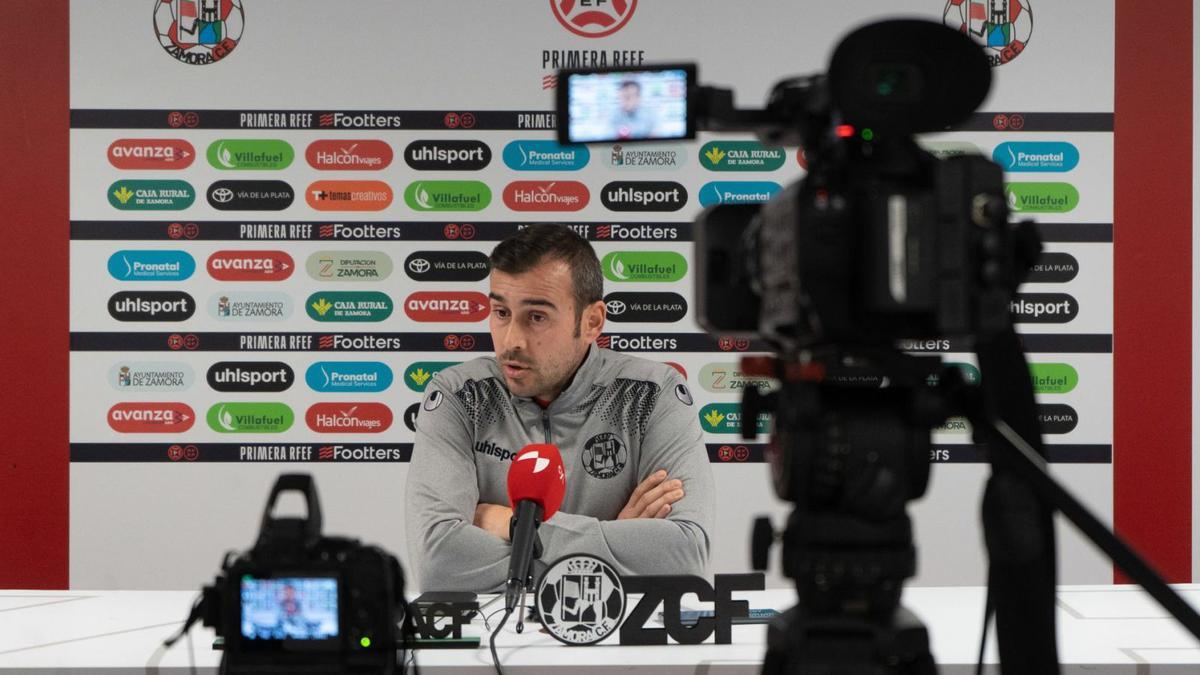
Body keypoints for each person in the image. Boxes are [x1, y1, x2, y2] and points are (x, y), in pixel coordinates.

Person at [405, 224, 713, 592]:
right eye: (501, 313)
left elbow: (685, 560)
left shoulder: (650, 396)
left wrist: (508, 524)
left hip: (621, 646)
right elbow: (437, 562)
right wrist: (617, 536)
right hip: (494, 645)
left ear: (591, 322)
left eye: (537, 317)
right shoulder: (461, 397)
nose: (512, 340)